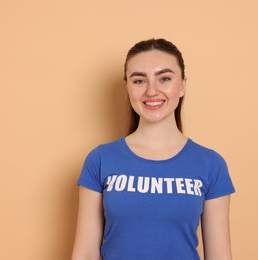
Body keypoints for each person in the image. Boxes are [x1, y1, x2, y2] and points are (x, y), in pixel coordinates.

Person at [72, 38, 235, 260]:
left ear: (183, 85)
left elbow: (219, 257)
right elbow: (85, 254)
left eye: (164, 78)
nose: (151, 91)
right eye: (139, 81)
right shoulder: (100, 160)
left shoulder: (211, 164)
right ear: (128, 87)